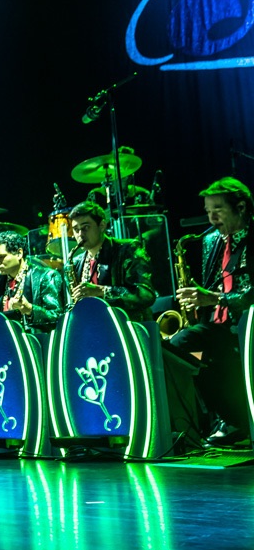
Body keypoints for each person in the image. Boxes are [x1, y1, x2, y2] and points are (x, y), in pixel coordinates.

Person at [173, 177, 252, 446]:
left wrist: (215, 298)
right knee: (182, 354)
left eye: (217, 209)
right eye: (207, 211)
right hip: (217, 329)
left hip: (245, 325)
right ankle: (228, 418)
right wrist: (195, 299)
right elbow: (212, 282)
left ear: (240, 207)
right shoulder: (211, 241)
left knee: (183, 345)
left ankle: (235, 420)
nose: (211, 217)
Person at [68, 201, 157, 323]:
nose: (80, 234)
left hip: (128, 328)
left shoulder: (129, 248)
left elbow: (146, 294)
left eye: (86, 227)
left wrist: (102, 291)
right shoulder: (76, 262)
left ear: (102, 226)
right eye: (76, 229)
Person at [0, 231, 64, 332]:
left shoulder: (46, 276)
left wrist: (30, 310)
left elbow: (57, 318)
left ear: (19, 253)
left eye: (1, 257)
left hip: (36, 343)